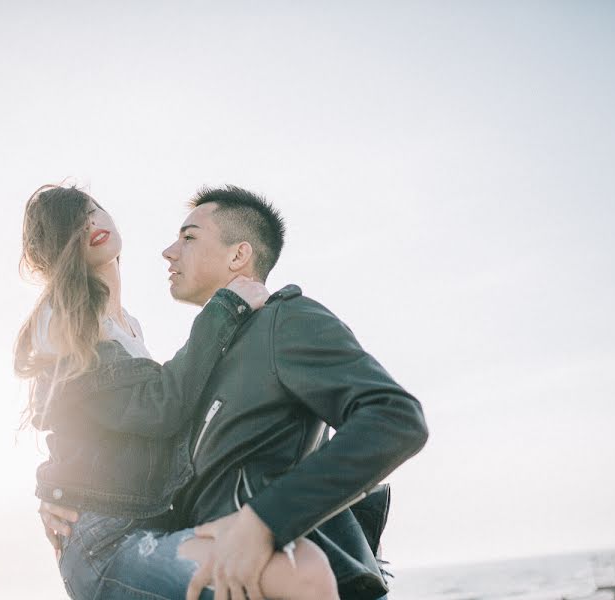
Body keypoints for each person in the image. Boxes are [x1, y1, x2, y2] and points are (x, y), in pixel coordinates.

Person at [40, 185, 429, 600]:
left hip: (294, 578)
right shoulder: (201, 361)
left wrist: (266, 520)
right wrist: (58, 488)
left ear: (238, 255)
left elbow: (393, 417)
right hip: (196, 564)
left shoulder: (284, 321)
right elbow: (118, 423)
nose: (169, 251)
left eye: (189, 238)